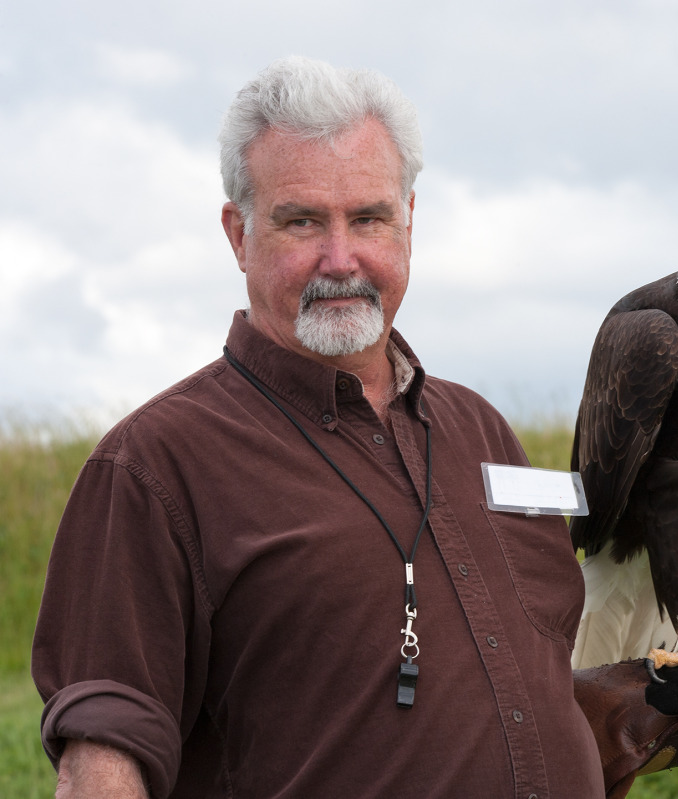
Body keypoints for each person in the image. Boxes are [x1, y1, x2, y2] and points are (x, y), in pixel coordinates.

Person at [33, 56, 605, 798]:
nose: (341, 259)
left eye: (368, 217)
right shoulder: (152, 465)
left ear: (408, 222)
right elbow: (102, 761)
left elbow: (544, 679)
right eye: (302, 221)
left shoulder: (483, 430)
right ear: (238, 235)